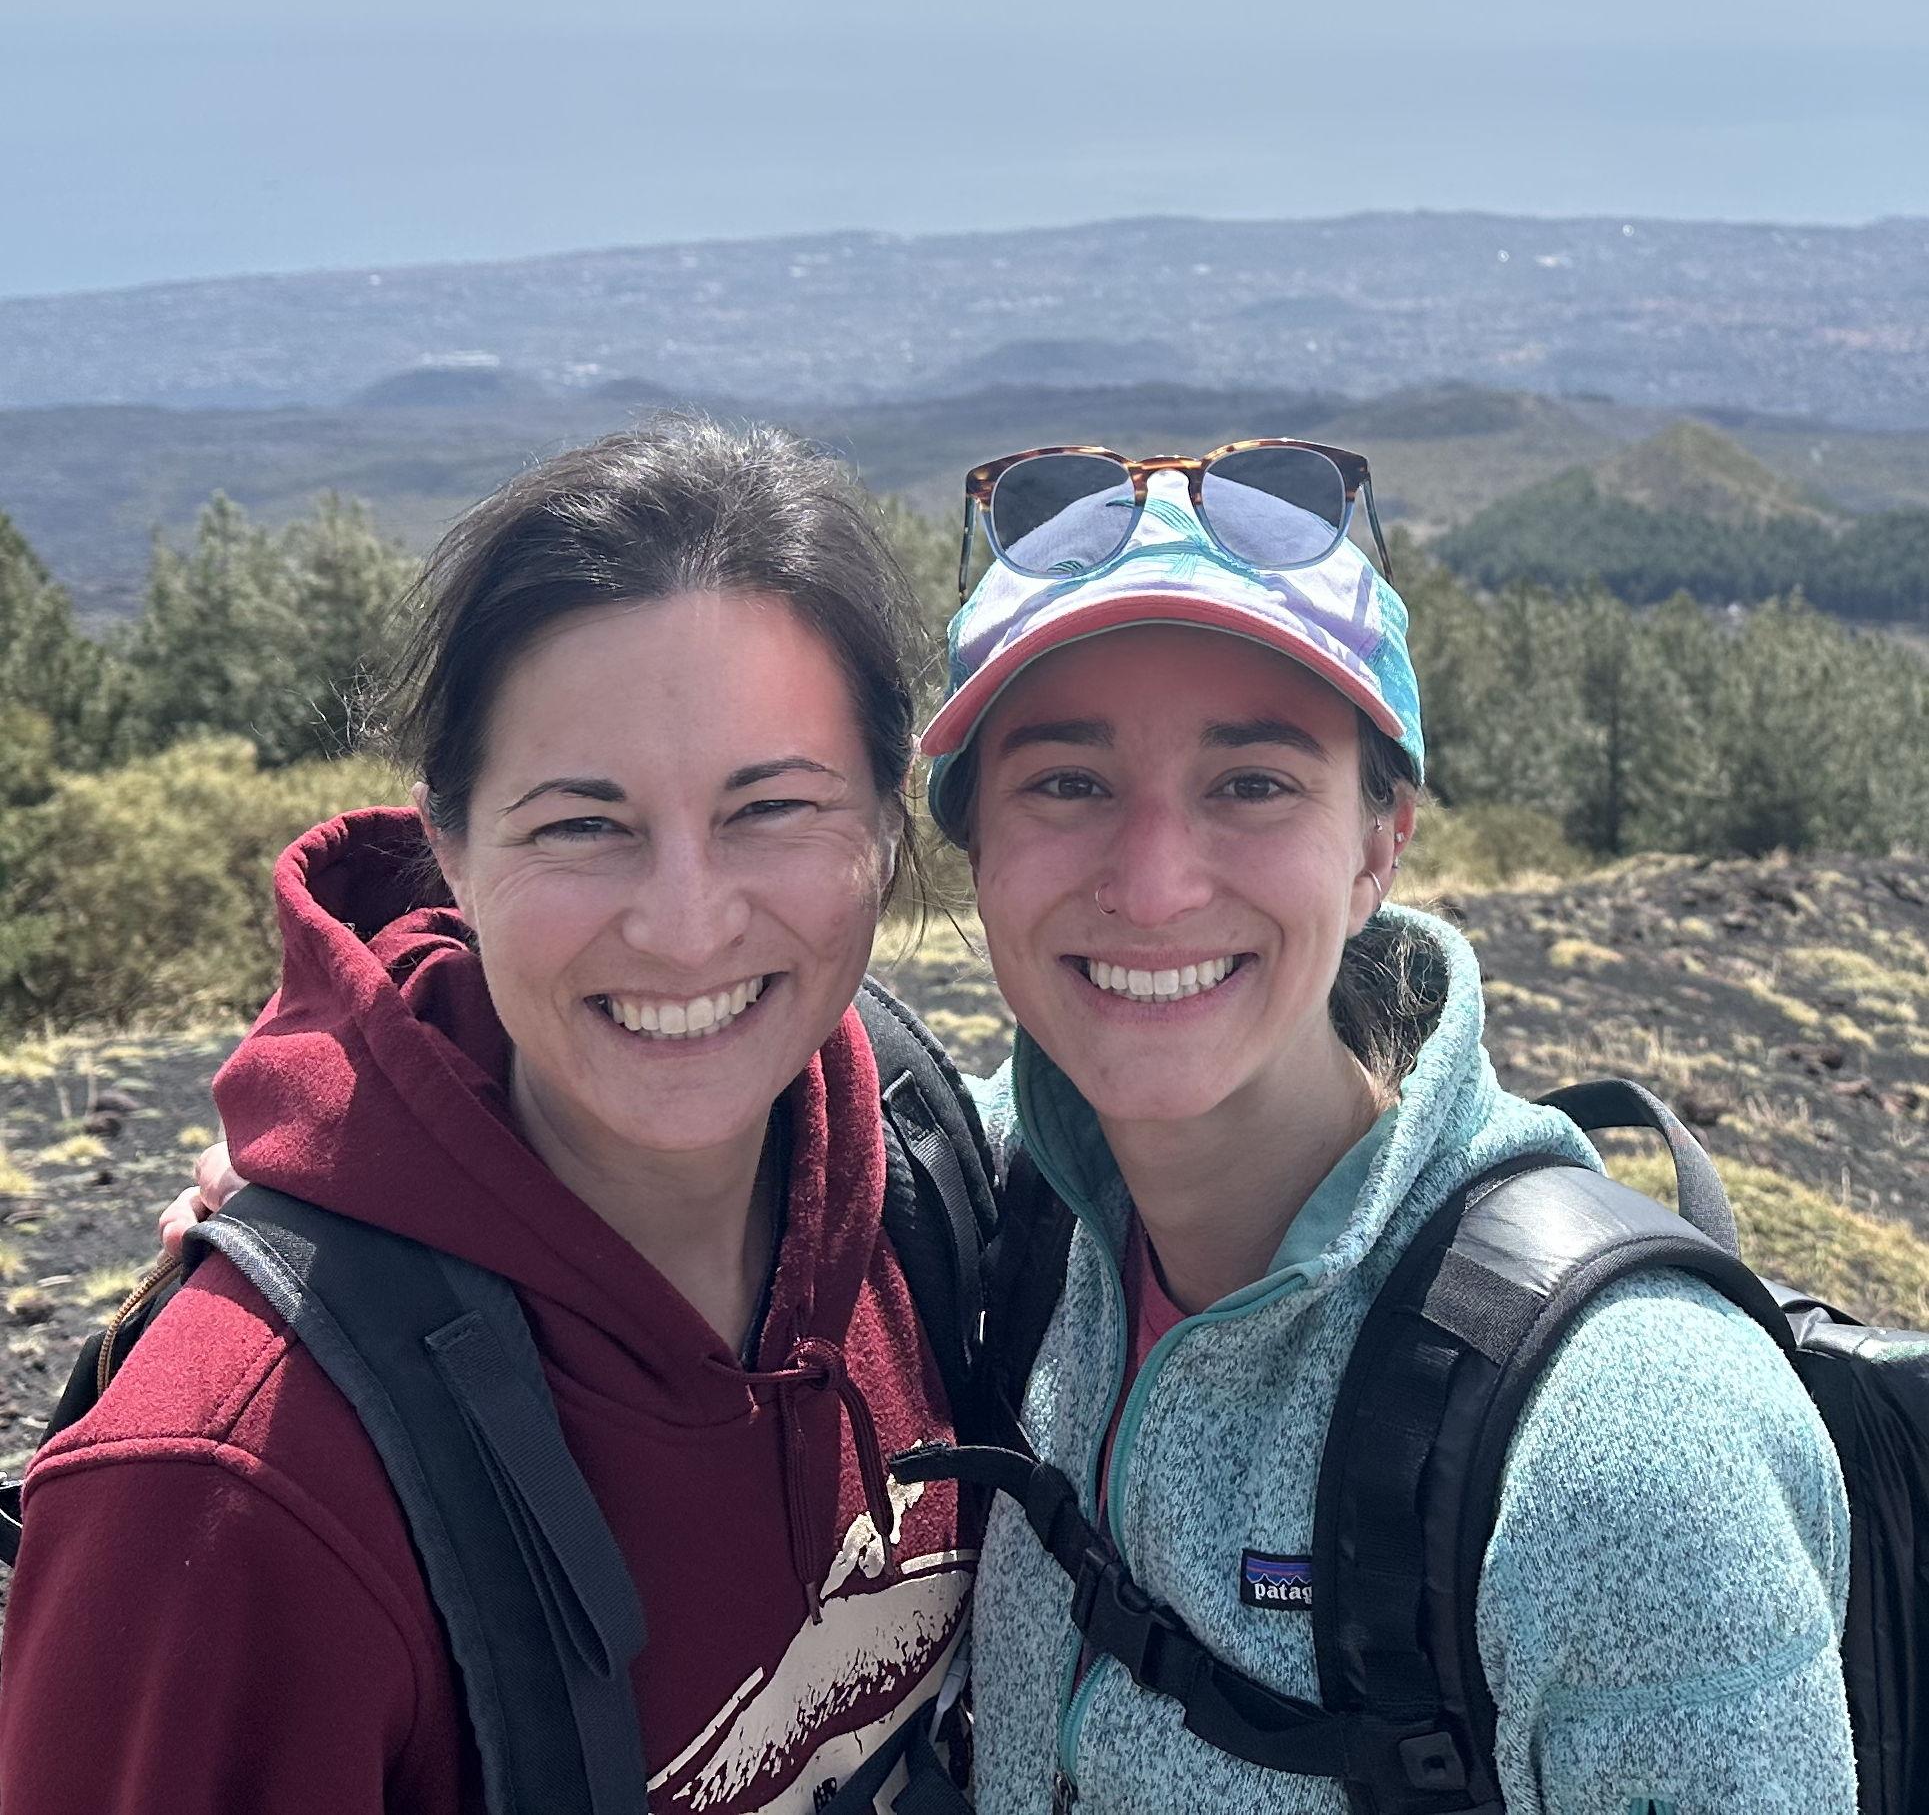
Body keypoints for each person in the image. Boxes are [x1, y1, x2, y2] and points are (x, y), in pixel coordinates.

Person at [0, 418, 977, 1814]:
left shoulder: (930, 1177)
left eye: (770, 807)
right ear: (448, 846)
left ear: (886, 826)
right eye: (582, 824)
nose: (686, 924)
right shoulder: (232, 1484)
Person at [911, 445, 1857, 1811]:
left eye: (1252, 782)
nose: (1154, 884)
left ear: (1377, 845)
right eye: (1067, 782)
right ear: (977, 849)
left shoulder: (1628, 1453)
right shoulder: (997, 1210)